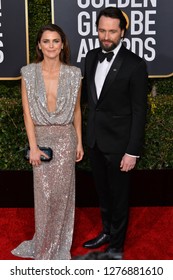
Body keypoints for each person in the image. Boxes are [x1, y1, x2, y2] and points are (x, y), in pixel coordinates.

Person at [11, 24, 84, 260]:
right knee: (43, 197)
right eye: (46, 41)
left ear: (62, 45)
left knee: (62, 196)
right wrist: (32, 146)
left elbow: (76, 111)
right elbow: (27, 113)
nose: (51, 46)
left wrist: (79, 143)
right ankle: (43, 244)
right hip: (41, 140)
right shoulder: (28, 73)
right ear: (39, 46)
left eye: (55, 41)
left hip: (65, 139)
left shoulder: (74, 74)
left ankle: (59, 245)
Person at [82, 7, 148, 260]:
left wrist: (132, 151)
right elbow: (91, 101)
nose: (106, 36)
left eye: (112, 31)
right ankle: (107, 232)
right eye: (102, 30)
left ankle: (116, 246)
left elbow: (139, 112)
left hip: (121, 146)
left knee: (119, 198)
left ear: (122, 32)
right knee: (103, 192)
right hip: (96, 141)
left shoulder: (135, 64)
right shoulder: (90, 57)